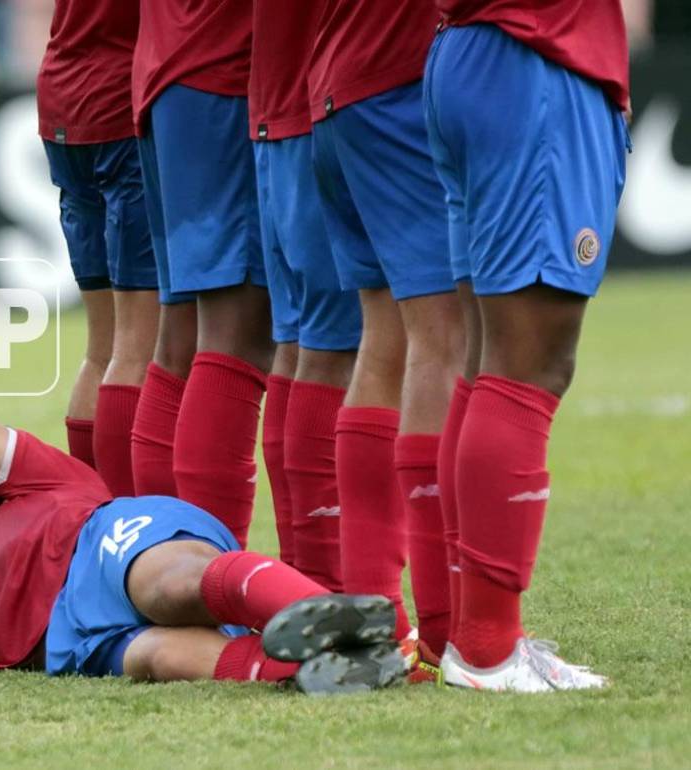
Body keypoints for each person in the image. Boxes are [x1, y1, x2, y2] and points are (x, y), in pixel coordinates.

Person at [0, 398, 406, 694]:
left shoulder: (30, 488)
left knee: (167, 588)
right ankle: (339, 666)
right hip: (79, 644)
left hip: (105, 548)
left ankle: (319, 611)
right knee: (160, 656)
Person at [423, 0, 627, 692]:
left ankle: (480, 635)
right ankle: (485, 649)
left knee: (484, 363)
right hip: (533, 53)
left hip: (477, 55)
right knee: (527, 367)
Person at [307, 0, 465, 670]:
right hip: (394, 85)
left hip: (333, 93)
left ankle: (377, 617)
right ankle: (445, 627)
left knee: (382, 342)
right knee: (443, 341)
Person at [128, 0, 273, 547]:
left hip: (173, 69)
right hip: (220, 69)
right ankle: (209, 580)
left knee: (182, 338)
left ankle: (164, 565)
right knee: (236, 338)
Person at [248, 0, 362, 588]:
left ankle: (305, 580)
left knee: (297, 343)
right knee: (334, 347)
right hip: (315, 105)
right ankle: (332, 587)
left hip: (280, 112)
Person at [37, 0, 160, 497]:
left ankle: (91, 512)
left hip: (62, 102)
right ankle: (127, 522)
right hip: (117, 105)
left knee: (103, 347)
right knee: (140, 347)